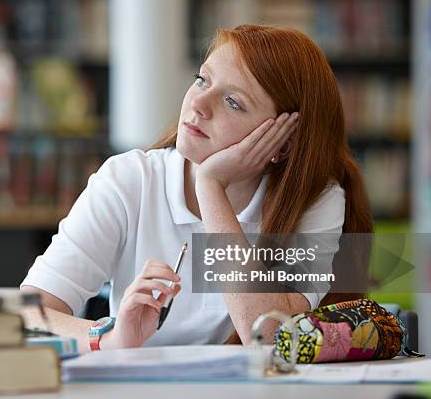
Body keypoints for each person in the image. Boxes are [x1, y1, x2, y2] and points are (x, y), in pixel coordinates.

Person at [21, 24, 373, 353]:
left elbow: (268, 337)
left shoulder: (314, 199)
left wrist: (211, 187)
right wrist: (110, 339)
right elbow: (30, 313)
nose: (198, 105)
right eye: (202, 80)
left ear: (282, 144)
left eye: (233, 102)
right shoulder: (129, 180)